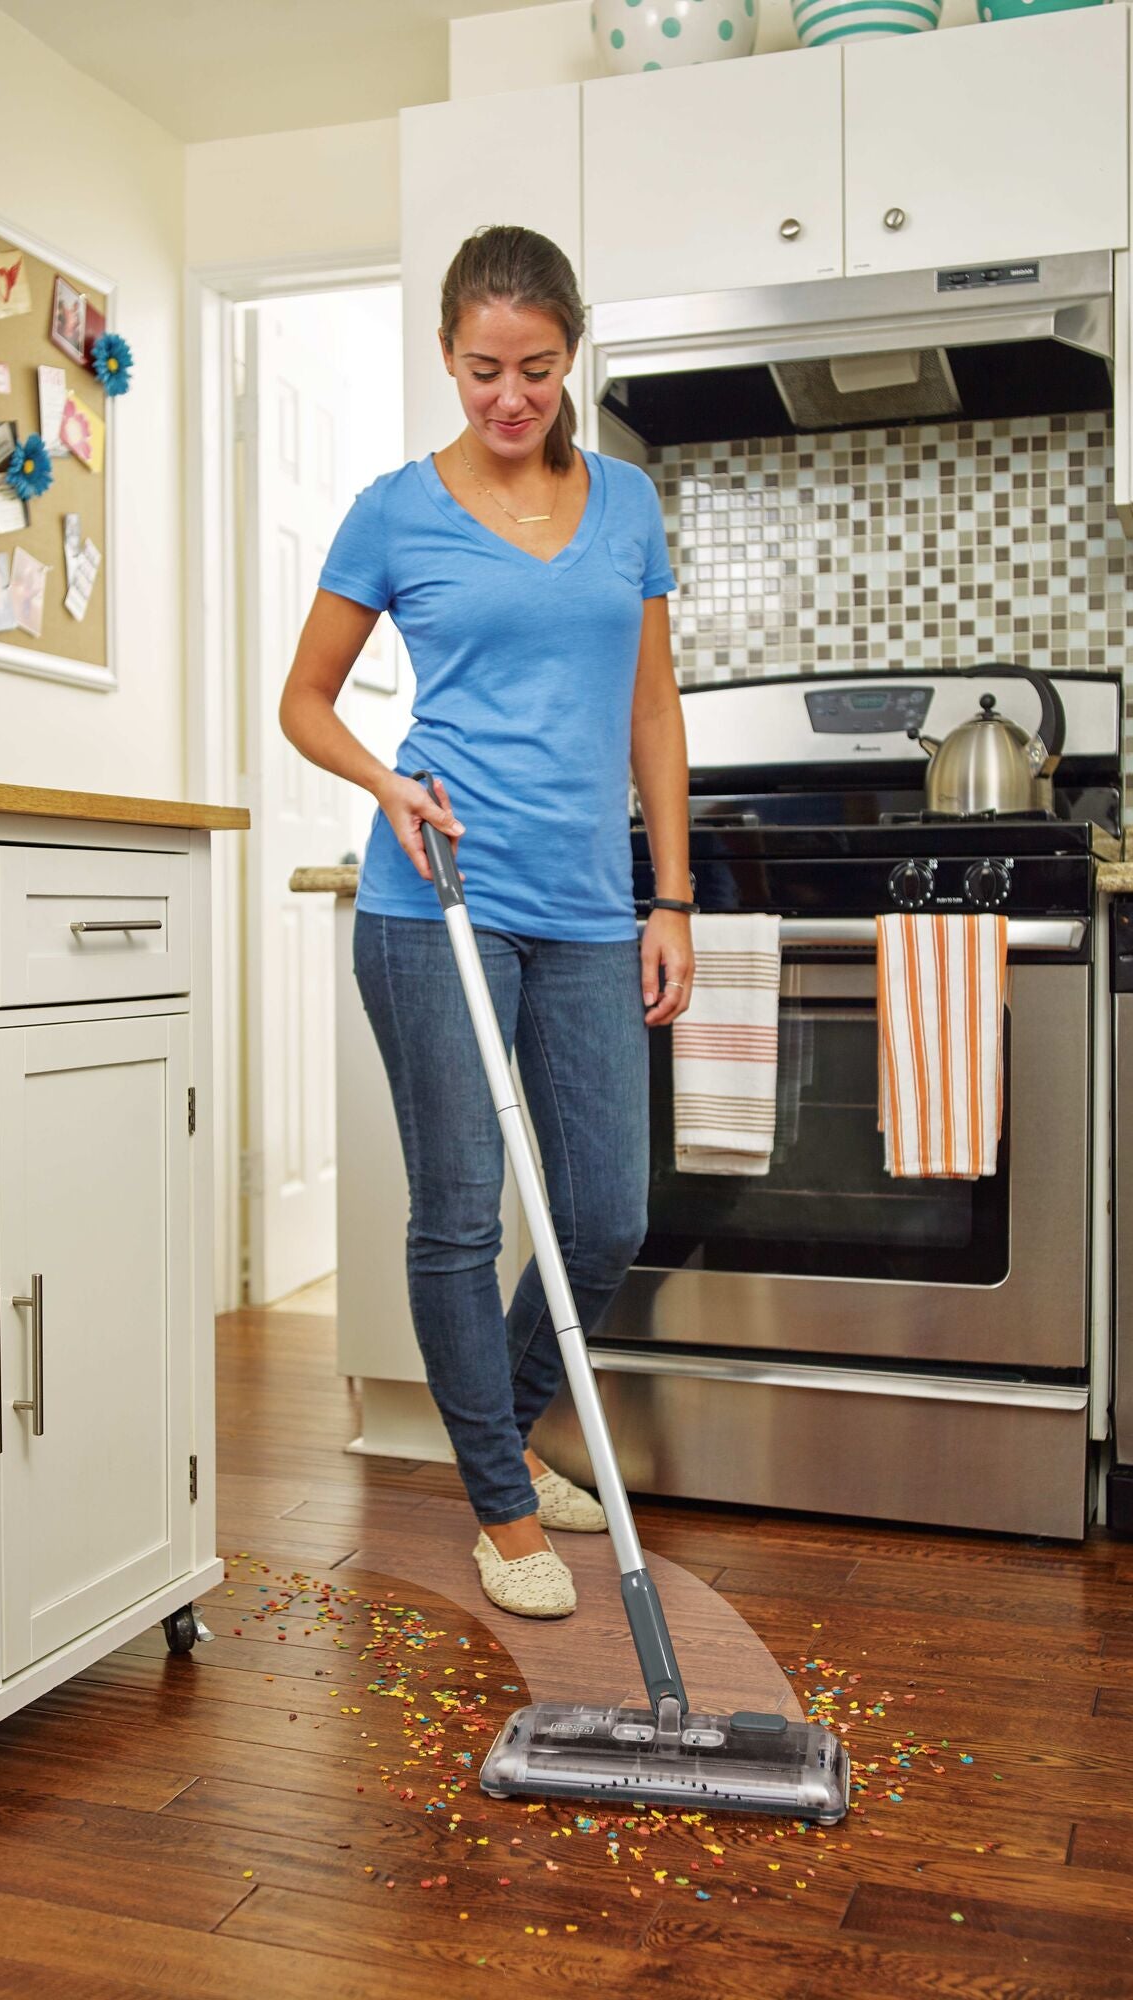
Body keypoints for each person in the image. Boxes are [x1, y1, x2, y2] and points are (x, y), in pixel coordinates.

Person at [278, 224, 695, 1621]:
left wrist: (672, 896)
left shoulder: (626, 503)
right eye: (479, 371)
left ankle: (507, 1426)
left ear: (570, 354)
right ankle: (502, 1507)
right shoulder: (395, 511)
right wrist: (386, 780)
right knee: (458, 1214)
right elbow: (306, 701)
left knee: (605, 1216)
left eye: (532, 369)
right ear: (446, 357)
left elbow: (653, 712)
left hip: (584, 904)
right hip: (435, 896)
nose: (507, 399)